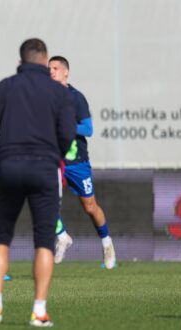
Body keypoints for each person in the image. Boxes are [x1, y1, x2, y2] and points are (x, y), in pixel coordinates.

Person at [0, 38, 76, 327]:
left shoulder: (5, 87)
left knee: (1, 238)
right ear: (45, 60)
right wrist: (57, 152)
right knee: (44, 242)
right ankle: (39, 310)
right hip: (44, 169)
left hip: (9, 167)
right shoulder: (59, 92)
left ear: (20, 61)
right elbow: (67, 133)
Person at [48, 56, 117, 269]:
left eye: (56, 68)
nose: (52, 71)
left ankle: (107, 245)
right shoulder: (44, 97)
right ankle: (62, 236)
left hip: (76, 162)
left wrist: (65, 126)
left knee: (90, 207)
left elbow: (88, 129)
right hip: (52, 159)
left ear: (66, 72)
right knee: (43, 201)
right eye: (49, 68)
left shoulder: (76, 98)